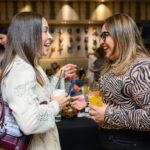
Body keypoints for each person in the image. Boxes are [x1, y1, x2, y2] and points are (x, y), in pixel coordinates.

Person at [71, 14, 150, 150]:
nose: (101, 42)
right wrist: (88, 101)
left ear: (121, 35)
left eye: (105, 35)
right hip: (111, 139)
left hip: (131, 142)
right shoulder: (116, 62)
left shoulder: (141, 67)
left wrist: (108, 115)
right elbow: (114, 98)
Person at [0, 12, 76, 150]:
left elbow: (41, 95)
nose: (51, 37)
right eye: (45, 31)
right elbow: (30, 122)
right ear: (28, 34)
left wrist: (57, 77)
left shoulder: (32, 66)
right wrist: (56, 106)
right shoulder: (23, 70)